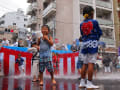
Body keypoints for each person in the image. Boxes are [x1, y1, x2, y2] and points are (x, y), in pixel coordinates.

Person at [79, 6, 102, 89]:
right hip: (93, 44)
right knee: (91, 63)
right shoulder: (94, 22)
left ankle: (82, 83)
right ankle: (89, 83)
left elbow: (82, 35)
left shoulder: (81, 24)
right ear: (92, 13)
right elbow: (99, 32)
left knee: (84, 63)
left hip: (84, 44)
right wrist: (96, 38)